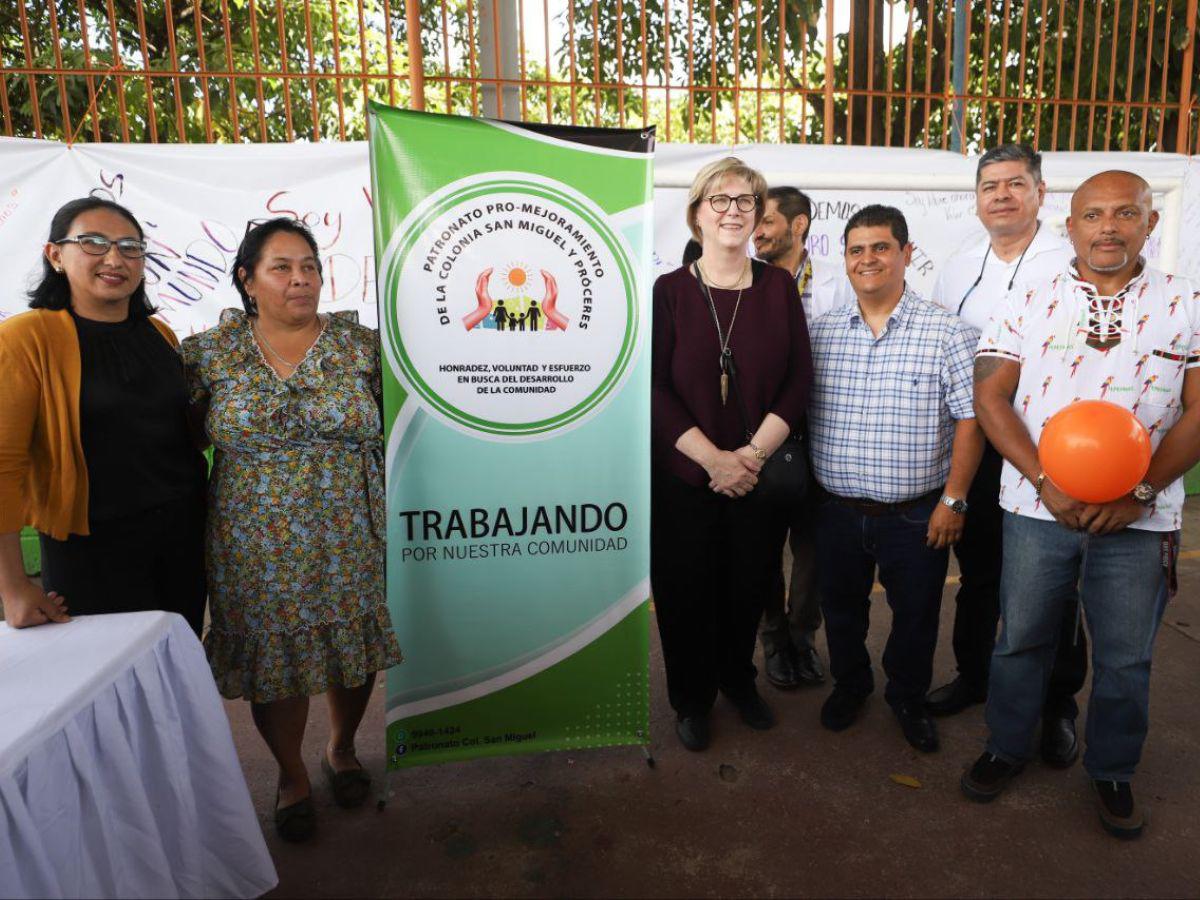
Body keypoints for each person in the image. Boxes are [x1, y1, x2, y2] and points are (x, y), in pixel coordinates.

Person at [963, 171, 1200, 839]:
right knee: (1020, 640)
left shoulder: (1188, 302)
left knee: (1126, 656)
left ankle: (1114, 769)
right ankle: (1006, 747)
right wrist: (1045, 482)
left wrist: (1142, 493)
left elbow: (1198, 412)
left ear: (1149, 224)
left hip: (1142, 518)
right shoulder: (1027, 301)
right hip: (1039, 510)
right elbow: (990, 400)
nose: (1108, 227)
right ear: (1070, 226)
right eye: (1093, 214)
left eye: (1126, 213)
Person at [181, 218, 402, 842]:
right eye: (281, 267)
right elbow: (185, 433)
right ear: (248, 280)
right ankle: (289, 774)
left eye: (309, 266)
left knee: (348, 650)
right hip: (253, 538)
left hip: (349, 528)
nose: (300, 278)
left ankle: (341, 748)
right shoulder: (207, 353)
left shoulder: (362, 347)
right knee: (273, 659)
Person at [927, 144, 1087, 769]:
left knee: (1056, 585)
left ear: (1041, 193)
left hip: (1047, 446)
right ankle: (974, 676)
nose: (1001, 195)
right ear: (976, 199)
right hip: (976, 444)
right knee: (980, 572)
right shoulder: (960, 264)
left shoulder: (1070, 261)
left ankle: (1058, 705)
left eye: (1014, 183)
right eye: (989, 185)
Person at [651, 157, 812, 752]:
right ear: (696, 214)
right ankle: (691, 698)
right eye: (719, 200)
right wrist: (712, 461)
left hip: (756, 474)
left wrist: (747, 456)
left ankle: (738, 681)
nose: (733, 211)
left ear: (758, 215)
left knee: (748, 585)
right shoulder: (668, 292)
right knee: (685, 590)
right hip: (683, 478)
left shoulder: (777, 289)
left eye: (745, 201)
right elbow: (655, 388)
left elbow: (798, 380)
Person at [808, 205, 982, 753]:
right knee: (839, 609)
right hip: (835, 509)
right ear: (846, 259)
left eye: (880, 247)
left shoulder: (950, 333)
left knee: (916, 614)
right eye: (856, 249)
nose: (868, 259)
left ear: (907, 254)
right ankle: (851, 685)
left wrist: (953, 501)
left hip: (915, 513)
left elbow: (970, 419)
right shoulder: (821, 333)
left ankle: (907, 696)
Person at [0, 197, 207, 633]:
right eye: (93, 242)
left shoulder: (158, 333)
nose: (115, 258)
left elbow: (174, 431)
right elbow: (4, 467)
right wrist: (13, 587)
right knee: (110, 688)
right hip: (90, 552)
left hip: (182, 537)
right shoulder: (25, 339)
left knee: (175, 668)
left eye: (130, 247)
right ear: (55, 255)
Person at [750, 186, 853, 689]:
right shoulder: (745, 282)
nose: (757, 230)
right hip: (760, 433)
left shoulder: (839, 282)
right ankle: (771, 639)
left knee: (813, 545)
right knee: (764, 542)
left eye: (766, 221)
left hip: (823, 430)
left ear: (799, 225)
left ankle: (802, 636)